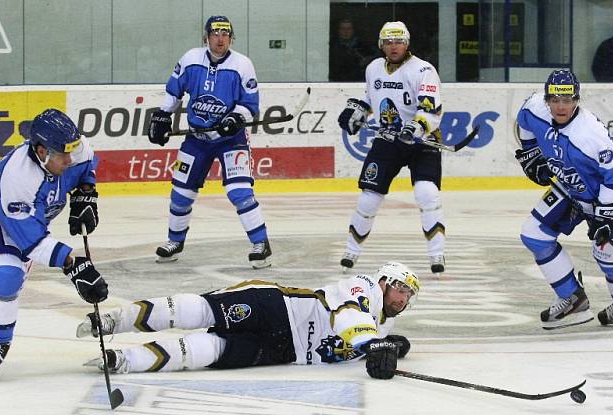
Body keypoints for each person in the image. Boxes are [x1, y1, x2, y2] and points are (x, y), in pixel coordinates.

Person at [0, 109, 109, 374]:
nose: (70, 159)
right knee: (5, 274)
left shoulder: (72, 149)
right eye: (63, 155)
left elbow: (86, 167)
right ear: (40, 151)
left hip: (29, 222)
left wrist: (86, 194)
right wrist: (75, 266)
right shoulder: (16, 178)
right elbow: (33, 242)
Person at [77, 262, 419, 380]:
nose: (403, 298)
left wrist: (390, 345)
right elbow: (348, 316)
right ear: (385, 280)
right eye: (401, 288)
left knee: (207, 351)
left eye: (409, 295)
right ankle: (114, 321)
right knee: (201, 310)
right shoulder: (365, 288)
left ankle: (122, 361)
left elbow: (358, 342)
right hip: (277, 306)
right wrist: (374, 344)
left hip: (284, 351)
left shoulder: (381, 325)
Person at [514, 69, 613, 330]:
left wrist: (604, 214)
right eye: (555, 100)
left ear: (577, 100)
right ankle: (572, 297)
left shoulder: (589, 135)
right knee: (534, 234)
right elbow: (524, 123)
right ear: (546, 98)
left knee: (608, 256)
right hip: (571, 185)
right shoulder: (534, 108)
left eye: (567, 100)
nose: (560, 107)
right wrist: (533, 155)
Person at [147, 15, 271, 269]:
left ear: (231, 38)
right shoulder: (191, 59)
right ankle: (175, 242)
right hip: (197, 138)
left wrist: (236, 117)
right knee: (181, 193)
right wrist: (162, 116)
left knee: (240, 193)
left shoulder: (242, 65)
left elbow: (250, 105)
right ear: (207, 37)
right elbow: (174, 91)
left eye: (226, 33)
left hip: (230, 139)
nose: (221, 38)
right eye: (216, 33)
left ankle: (261, 244)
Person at [337, 21, 446, 275]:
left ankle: (437, 254)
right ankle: (350, 252)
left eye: (398, 41)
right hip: (388, 138)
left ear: (407, 43)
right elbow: (369, 97)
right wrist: (357, 112)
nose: (393, 46)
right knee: (368, 198)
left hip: (422, 141)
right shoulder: (374, 68)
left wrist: (415, 128)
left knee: (426, 193)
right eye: (388, 41)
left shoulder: (423, 70)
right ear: (381, 44)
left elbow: (431, 108)